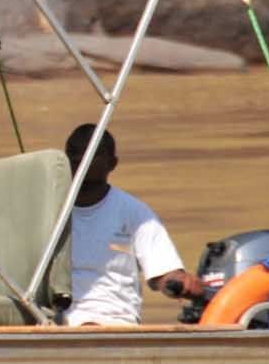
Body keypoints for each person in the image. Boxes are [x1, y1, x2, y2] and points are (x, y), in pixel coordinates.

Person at [61, 123, 201, 326]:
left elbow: (162, 273)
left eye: (92, 153)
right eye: (74, 154)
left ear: (112, 163)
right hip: (57, 322)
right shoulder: (47, 211)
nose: (80, 160)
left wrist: (180, 280)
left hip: (116, 320)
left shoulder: (134, 212)